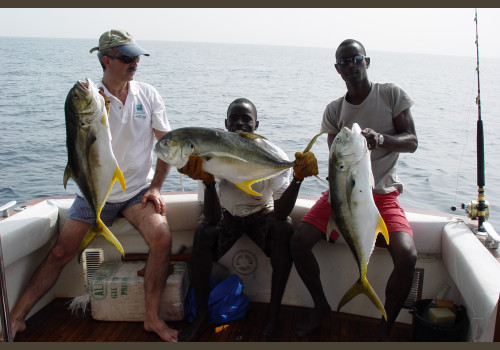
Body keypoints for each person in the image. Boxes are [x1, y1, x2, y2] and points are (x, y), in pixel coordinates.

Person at [4, 29, 178, 342]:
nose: (134, 62)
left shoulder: (148, 94)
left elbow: (165, 145)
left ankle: (152, 318)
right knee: (60, 251)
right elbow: (80, 148)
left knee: (162, 237)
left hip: (137, 191)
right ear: (106, 60)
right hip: (95, 192)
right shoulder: (89, 101)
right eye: (127, 57)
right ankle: (16, 318)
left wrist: (155, 188)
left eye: (136, 56)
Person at [290, 39, 418, 341]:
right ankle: (321, 306)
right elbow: (338, 159)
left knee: (408, 256)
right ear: (337, 69)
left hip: (382, 194)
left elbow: (411, 140)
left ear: (367, 62)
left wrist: (382, 140)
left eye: (355, 58)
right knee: (298, 241)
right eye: (343, 61)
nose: (350, 64)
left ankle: (385, 327)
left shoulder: (391, 94)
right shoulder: (334, 110)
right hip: (343, 193)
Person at [177, 98, 318, 342]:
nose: (240, 124)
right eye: (235, 119)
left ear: (257, 125)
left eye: (247, 120)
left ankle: (273, 315)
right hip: (226, 213)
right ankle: (201, 313)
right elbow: (212, 217)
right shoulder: (209, 150)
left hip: (261, 212)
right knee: (203, 232)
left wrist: (297, 178)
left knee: (284, 228)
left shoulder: (271, 152)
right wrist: (209, 181)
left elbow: (281, 211)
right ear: (225, 123)